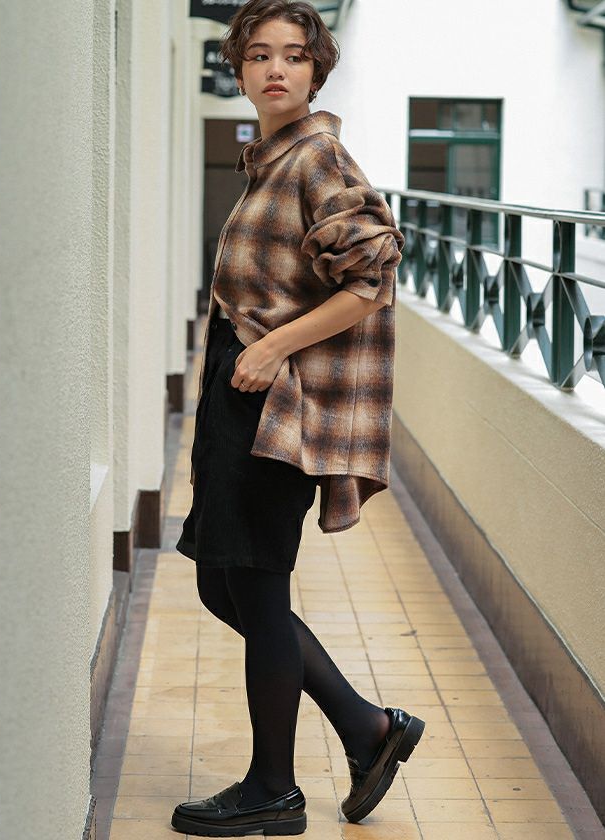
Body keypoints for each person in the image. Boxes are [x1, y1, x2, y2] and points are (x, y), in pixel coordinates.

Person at [172, 1, 425, 835]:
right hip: (238, 389)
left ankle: (274, 788)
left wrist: (275, 346)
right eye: (259, 55)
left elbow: (371, 277)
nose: (276, 68)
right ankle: (365, 727)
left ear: (317, 70)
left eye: (293, 55)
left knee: (253, 582)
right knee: (225, 582)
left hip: (273, 399)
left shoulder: (318, 157)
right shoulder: (271, 159)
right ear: (239, 70)